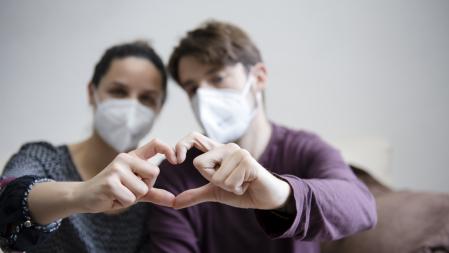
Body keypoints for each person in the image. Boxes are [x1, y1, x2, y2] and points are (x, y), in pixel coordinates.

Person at [148, 21, 377, 253]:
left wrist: (281, 194)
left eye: (217, 78)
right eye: (193, 88)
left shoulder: (304, 149)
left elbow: (362, 208)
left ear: (258, 77)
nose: (204, 97)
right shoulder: (174, 174)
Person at [0, 41, 178, 252]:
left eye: (146, 98)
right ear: (92, 92)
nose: (131, 107)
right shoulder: (44, 159)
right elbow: (7, 197)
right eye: (118, 92)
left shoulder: (154, 192)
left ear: (159, 108)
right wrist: (81, 194)